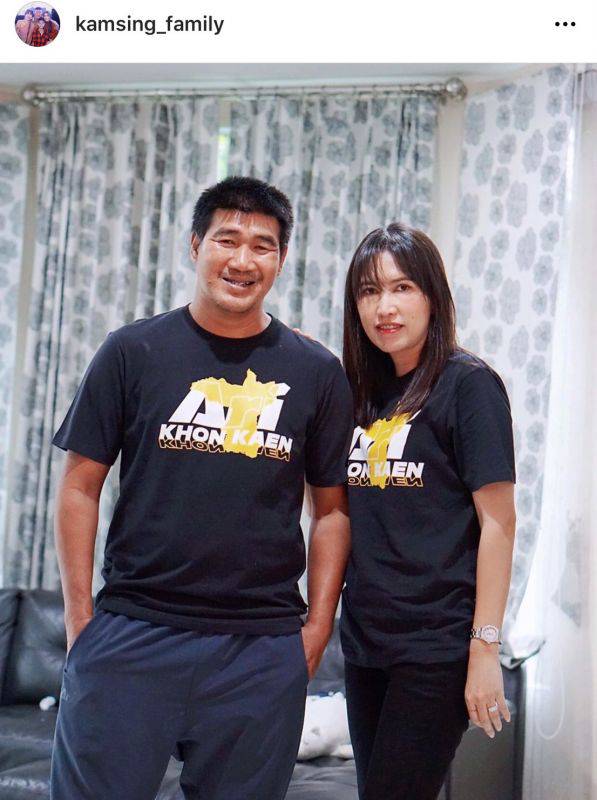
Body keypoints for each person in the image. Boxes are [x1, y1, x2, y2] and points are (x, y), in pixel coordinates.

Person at [50, 176, 353, 800]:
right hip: (133, 630)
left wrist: (317, 629)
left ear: (282, 260)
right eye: (226, 239)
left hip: (261, 647)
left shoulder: (316, 371)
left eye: (262, 246)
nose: (243, 260)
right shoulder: (132, 351)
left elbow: (331, 512)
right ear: (195, 246)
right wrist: (81, 620)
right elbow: (80, 487)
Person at [340, 223, 516, 800]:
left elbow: (499, 523)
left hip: (436, 649)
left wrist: (484, 649)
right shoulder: (363, 392)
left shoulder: (468, 386)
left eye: (402, 288)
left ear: (432, 296)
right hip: (365, 643)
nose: (384, 307)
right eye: (369, 291)